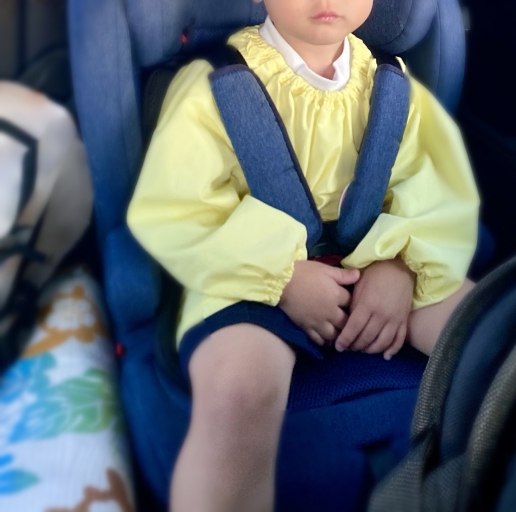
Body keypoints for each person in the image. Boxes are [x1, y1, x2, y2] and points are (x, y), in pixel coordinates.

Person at [127, 0, 479, 510]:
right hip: (248, 278)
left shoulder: (392, 83)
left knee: (488, 331)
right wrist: (283, 276)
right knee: (237, 395)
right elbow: (180, 208)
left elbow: (433, 191)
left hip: (376, 261)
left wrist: (401, 266)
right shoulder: (212, 84)